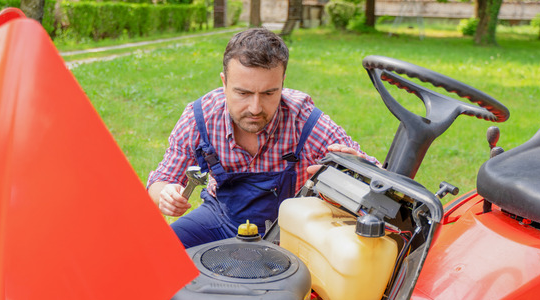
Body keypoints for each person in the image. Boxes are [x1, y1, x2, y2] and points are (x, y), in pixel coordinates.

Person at [147, 28, 376, 248]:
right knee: (160, 250)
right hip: (219, 220)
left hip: (288, 232)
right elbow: (160, 181)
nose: (255, 108)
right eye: (243, 93)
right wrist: (166, 195)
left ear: (282, 83)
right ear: (224, 83)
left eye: (268, 93)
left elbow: (377, 180)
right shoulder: (200, 118)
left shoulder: (305, 122)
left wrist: (356, 168)